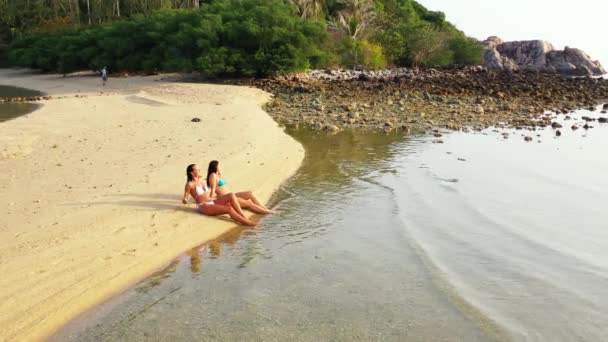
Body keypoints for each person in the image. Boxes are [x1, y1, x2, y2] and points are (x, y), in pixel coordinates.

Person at [182, 164, 255, 226]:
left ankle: (243, 216)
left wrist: (219, 195)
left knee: (231, 195)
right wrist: (185, 199)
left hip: (211, 201)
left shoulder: (202, 181)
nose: (199, 170)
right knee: (229, 209)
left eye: (199, 169)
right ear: (191, 173)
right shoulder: (190, 184)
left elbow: (209, 193)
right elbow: (186, 196)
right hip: (203, 206)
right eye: (197, 170)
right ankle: (249, 223)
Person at [206, 160, 273, 214]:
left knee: (250, 194)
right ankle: (269, 212)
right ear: (215, 167)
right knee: (249, 203)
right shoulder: (213, 175)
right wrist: (210, 200)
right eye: (219, 166)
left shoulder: (217, 175)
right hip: (228, 198)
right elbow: (213, 189)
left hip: (232, 195)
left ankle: (265, 209)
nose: (221, 167)